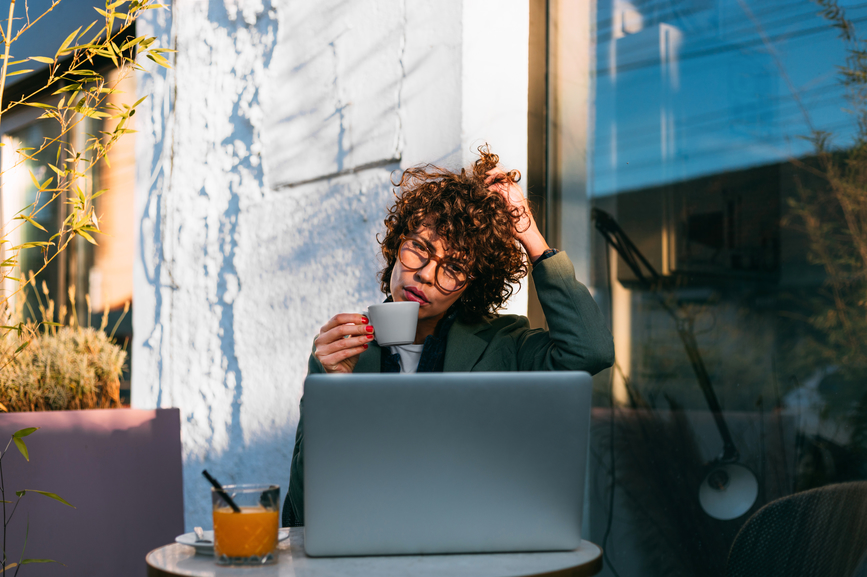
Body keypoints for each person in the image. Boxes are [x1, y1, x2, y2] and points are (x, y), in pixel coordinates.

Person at [283, 147, 614, 527]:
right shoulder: (345, 352)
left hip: (469, 547)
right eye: (419, 249)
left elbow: (591, 350)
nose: (425, 273)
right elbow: (302, 514)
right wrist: (330, 388)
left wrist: (531, 238)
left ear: (469, 287)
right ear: (395, 248)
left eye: (453, 267)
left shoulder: (503, 342)